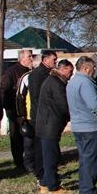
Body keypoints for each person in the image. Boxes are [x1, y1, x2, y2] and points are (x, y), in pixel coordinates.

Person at [66, 56, 97, 194]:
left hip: (80, 126)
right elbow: (95, 105)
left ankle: (85, 189)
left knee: (85, 160)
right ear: (85, 68)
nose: (95, 70)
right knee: (92, 160)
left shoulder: (72, 82)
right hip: (92, 127)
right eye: (93, 68)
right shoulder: (85, 83)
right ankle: (88, 191)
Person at [35, 59, 74, 194]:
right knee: (51, 156)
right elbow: (63, 105)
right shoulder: (55, 83)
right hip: (49, 125)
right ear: (62, 69)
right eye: (70, 71)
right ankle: (53, 187)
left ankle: (46, 182)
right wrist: (73, 115)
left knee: (51, 154)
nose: (71, 74)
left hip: (48, 124)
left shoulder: (54, 81)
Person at [0, 49, 33, 170]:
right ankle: (19, 163)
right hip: (15, 110)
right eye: (29, 56)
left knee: (27, 136)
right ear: (21, 58)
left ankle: (29, 160)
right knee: (17, 137)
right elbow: (4, 91)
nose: (31, 59)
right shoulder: (11, 73)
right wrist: (10, 109)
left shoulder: (29, 71)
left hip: (26, 110)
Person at [27, 49, 57, 183]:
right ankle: (41, 173)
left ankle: (48, 172)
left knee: (48, 147)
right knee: (40, 146)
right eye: (54, 60)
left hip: (48, 116)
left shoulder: (49, 74)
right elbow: (36, 96)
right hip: (40, 116)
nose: (55, 62)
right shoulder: (36, 75)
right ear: (45, 60)